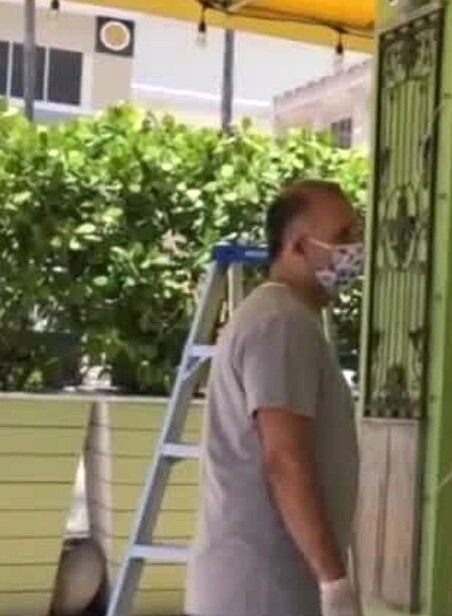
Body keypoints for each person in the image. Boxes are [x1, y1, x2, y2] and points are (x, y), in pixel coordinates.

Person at [186, 180, 365, 616]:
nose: (355, 250)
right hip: (260, 591)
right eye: (342, 237)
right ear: (301, 246)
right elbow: (285, 459)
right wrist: (334, 581)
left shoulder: (282, 318)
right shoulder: (280, 324)